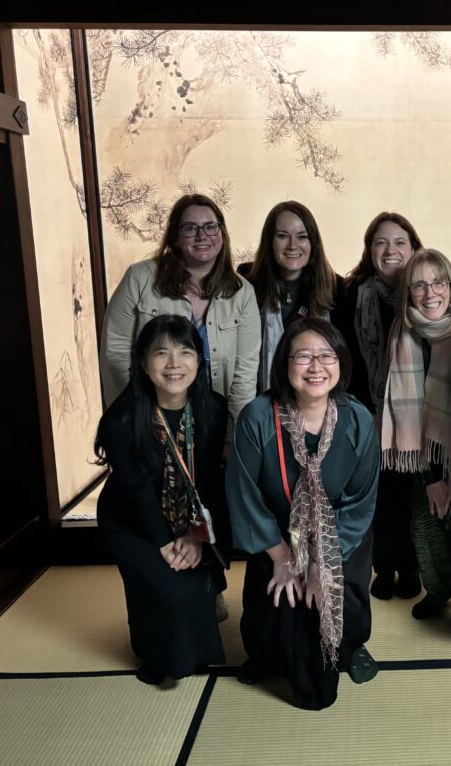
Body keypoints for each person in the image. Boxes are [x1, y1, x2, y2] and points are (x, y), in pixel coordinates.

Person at [227, 317, 379, 710]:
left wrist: (319, 564)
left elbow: (360, 501)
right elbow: (243, 492)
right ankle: (265, 656)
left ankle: (349, 648)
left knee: (335, 595)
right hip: (275, 533)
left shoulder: (358, 419)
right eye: (303, 356)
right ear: (284, 364)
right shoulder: (258, 417)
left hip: (339, 534)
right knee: (277, 599)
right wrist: (282, 557)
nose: (316, 367)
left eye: (326, 355)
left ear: (341, 363)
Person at [94, 315, 229, 687]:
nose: (174, 364)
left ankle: (194, 652)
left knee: (194, 586)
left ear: (199, 361)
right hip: (133, 522)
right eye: (161, 353)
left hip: (188, 519)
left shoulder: (213, 408)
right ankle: (155, 657)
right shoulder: (121, 419)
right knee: (167, 587)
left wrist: (196, 535)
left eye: (185, 352)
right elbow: (134, 489)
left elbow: (210, 481)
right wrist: (165, 542)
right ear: (143, 362)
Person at [381, 248, 451, 628]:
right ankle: (437, 590)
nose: (430, 293)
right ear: (408, 292)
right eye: (419, 285)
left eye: (438, 282)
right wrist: (433, 479)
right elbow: (410, 414)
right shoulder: (402, 335)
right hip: (421, 461)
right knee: (425, 530)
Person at [100, 193, 261, 438]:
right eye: (190, 228)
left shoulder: (242, 293)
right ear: (175, 237)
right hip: (150, 419)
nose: (202, 236)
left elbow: (245, 373)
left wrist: (234, 435)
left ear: (222, 234)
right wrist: (136, 417)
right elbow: (115, 353)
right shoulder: (139, 279)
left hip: (213, 421)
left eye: (210, 227)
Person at [333, 212, 423, 601]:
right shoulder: (352, 294)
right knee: (375, 499)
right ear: (370, 251)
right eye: (381, 243)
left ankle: (413, 568)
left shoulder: (428, 292)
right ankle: (383, 568)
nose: (390, 250)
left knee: (413, 498)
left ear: (415, 248)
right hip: (365, 413)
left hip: (415, 416)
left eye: (400, 242)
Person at [239, 200, 345, 392]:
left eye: (302, 237)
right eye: (282, 236)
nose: (292, 246)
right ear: (270, 241)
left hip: (317, 401)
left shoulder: (335, 288)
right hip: (260, 404)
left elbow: (343, 358)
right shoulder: (247, 287)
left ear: (313, 243)